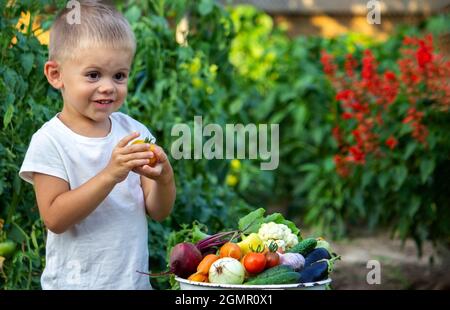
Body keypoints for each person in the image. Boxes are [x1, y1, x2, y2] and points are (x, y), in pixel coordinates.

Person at [18, 0, 176, 289]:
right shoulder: (51, 140)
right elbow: (54, 217)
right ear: (56, 75)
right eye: (93, 75)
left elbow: (158, 211)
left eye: (119, 75)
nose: (108, 86)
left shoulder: (134, 132)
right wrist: (109, 175)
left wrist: (165, 179)